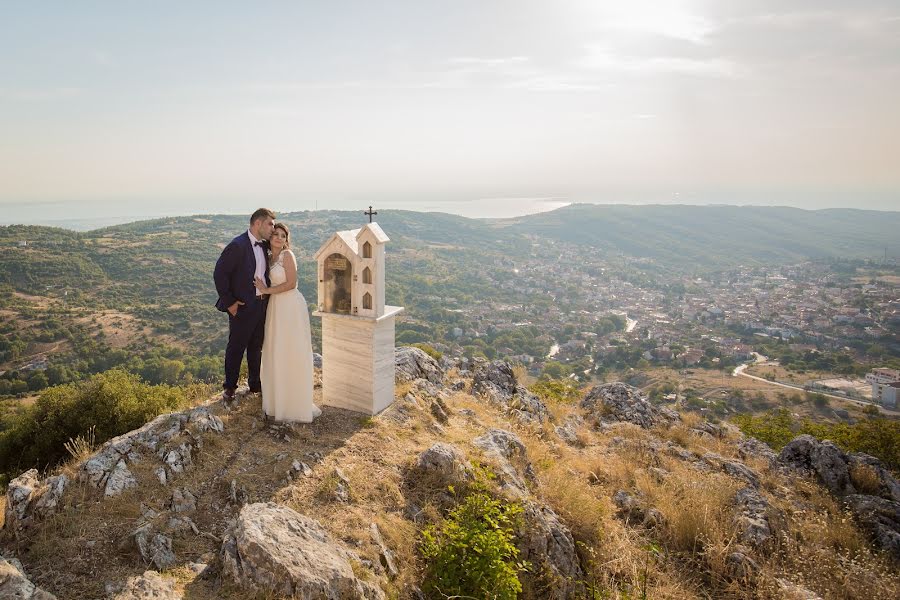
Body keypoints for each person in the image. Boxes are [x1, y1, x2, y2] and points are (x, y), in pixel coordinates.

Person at [254, 222, 319, 422]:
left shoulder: (287, 256)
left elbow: (291, 284)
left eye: (283, 235)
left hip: (290, 306)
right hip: (275, 307)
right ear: (270, 237)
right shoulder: (267, 257)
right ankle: (277, 402)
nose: (279, 238)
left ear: (286, 239)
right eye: (275, 234)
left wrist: (266, 290)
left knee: (292, 349)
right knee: (276, 349)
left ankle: (294, 404)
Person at [213, 208, 276, 401]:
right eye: (270, 224)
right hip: (241, 307)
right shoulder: (237, 245)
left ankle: (255, 384)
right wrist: (230, 303)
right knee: (236, 347)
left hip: (261, 305)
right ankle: (230, 387)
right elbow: (219, 273)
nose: (273, 229)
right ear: (258, 223)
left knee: (256, 346)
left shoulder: (265, 245)